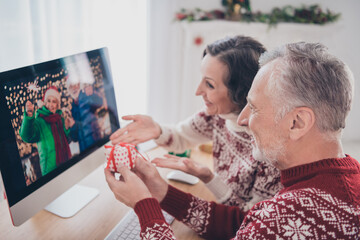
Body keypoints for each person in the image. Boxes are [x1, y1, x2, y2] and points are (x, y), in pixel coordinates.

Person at [105, 42, 360, 239]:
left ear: (297, 123)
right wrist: (162, 193)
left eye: (255, 108)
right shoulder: (347, 180)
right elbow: (243, 224)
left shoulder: (281, 219)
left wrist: (144, 207)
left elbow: (259, 224)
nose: (242, 119)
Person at [110, 35, 282, 209]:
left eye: (209, 84)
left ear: (241, 92)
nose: (198, 91)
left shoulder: (271, 149)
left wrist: (209, 178)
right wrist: (157, 130)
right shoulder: (218, 115)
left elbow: (251, 219)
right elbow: (181, 136)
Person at [20, 86, 72, 176]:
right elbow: (27, 136)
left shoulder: (60, 119)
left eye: (54, 101)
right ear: (44, 102)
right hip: (50, 170)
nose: (51, 104)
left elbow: (66, 140)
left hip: (66, 164)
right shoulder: (39, 121)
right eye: (48, 101)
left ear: (57, 104)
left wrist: (67, 129)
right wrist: (28, 118)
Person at [66, 77, 104, 152]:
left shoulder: (87, 97)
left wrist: (92, 94)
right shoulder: (72, 109)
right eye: (71, 87)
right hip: (84, 150)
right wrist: (72, 126)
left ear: (79, 85)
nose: (74, 88)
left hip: (96, 143)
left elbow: (99, 102)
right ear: (69, 90)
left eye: (75, 85)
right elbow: (75, 138)